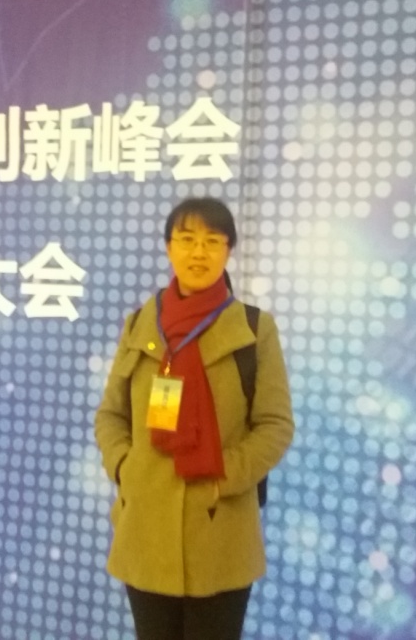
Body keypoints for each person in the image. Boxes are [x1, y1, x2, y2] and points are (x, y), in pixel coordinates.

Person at [94, 197, 295, 640]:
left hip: (219, 532)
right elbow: (111, 414)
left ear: (229, 250)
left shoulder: (253, 329)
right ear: (169, 247)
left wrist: (225, 477)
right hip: (144, 529)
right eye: (186, 239)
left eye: (212, 241)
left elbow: (276, 424)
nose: (198, 252)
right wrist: (126, 469)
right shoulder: (139, 325)